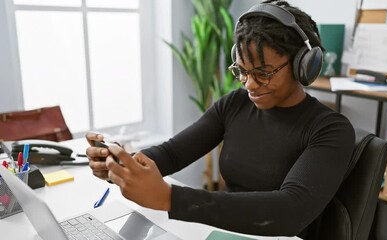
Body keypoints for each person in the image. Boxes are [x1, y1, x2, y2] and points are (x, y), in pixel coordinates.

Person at [85, 0, 355, 237]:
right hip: (223, 232)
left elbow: (290, 211)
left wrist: (170, 198)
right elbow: (173, 153)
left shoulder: (330, 130)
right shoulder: (235, 104)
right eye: (242, 71)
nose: (249, 84)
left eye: (263, 72)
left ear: (303, 65)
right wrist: (123, 168)